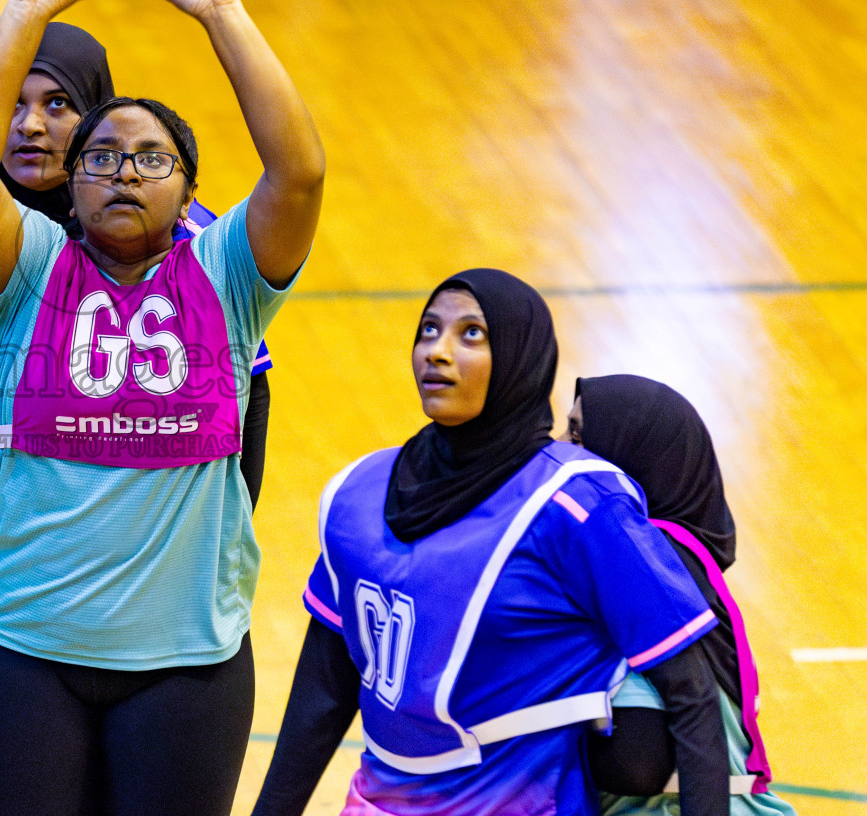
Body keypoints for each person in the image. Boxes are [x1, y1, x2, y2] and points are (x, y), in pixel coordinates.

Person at [0, 0, 324, 815]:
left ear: (188, 191)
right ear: (69, 188)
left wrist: (219, 9)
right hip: (24, 654)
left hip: (184, 667)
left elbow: (298, 175)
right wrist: (27, 7)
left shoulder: (227, 279)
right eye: (100, 157)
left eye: (152, 159)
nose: (122, 174)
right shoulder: (30, 272)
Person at [0, 22, 273, 796]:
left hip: (158, 603)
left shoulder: (198, 251)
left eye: (60, 105)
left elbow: (251, 408)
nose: (30, 125)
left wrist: (210, 543)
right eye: (14, 103)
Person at [253, 269, 729, 816]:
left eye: (471, 334)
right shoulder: (356, 493)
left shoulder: (577, 504)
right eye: (428, 330)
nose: (438, 352)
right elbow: (323, 691)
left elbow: (692, 695)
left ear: (520, 359)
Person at [569, 375, 796, 815]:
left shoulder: (640, 556)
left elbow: (636, 763)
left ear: (630, 454)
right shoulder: (685, 559)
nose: (560, 450)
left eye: (579, 436)